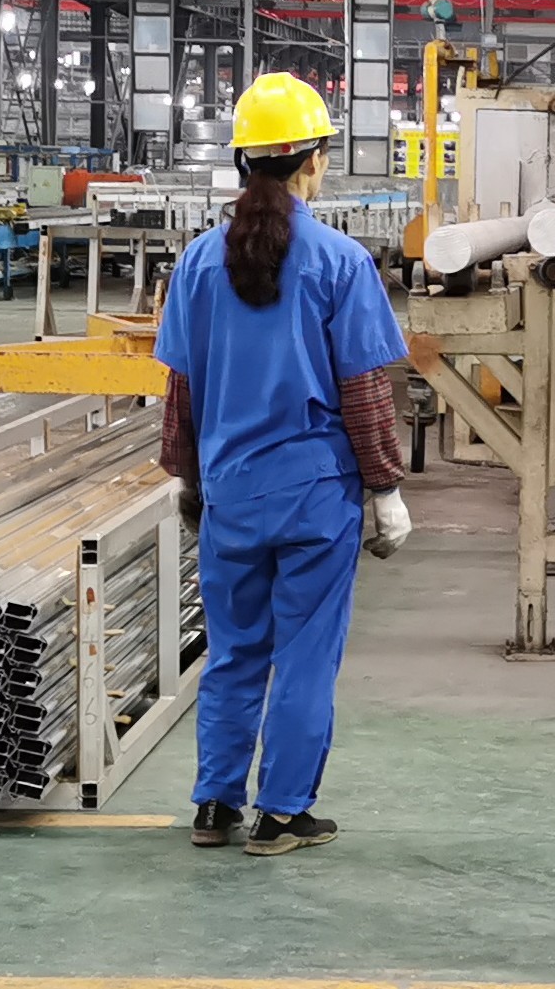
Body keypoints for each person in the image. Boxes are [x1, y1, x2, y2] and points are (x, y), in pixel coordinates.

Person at [155, 73, 414, 856]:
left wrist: (188, 481)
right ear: (313, 161)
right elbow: (363, 393)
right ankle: (281, 812)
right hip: (313, 498)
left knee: (234, 651)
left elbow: (181, 392)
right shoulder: (340, 262)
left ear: (243, 161)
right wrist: (386, 489)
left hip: (230, 494)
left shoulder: (198, 263)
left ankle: (214, 805)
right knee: (304, 655)